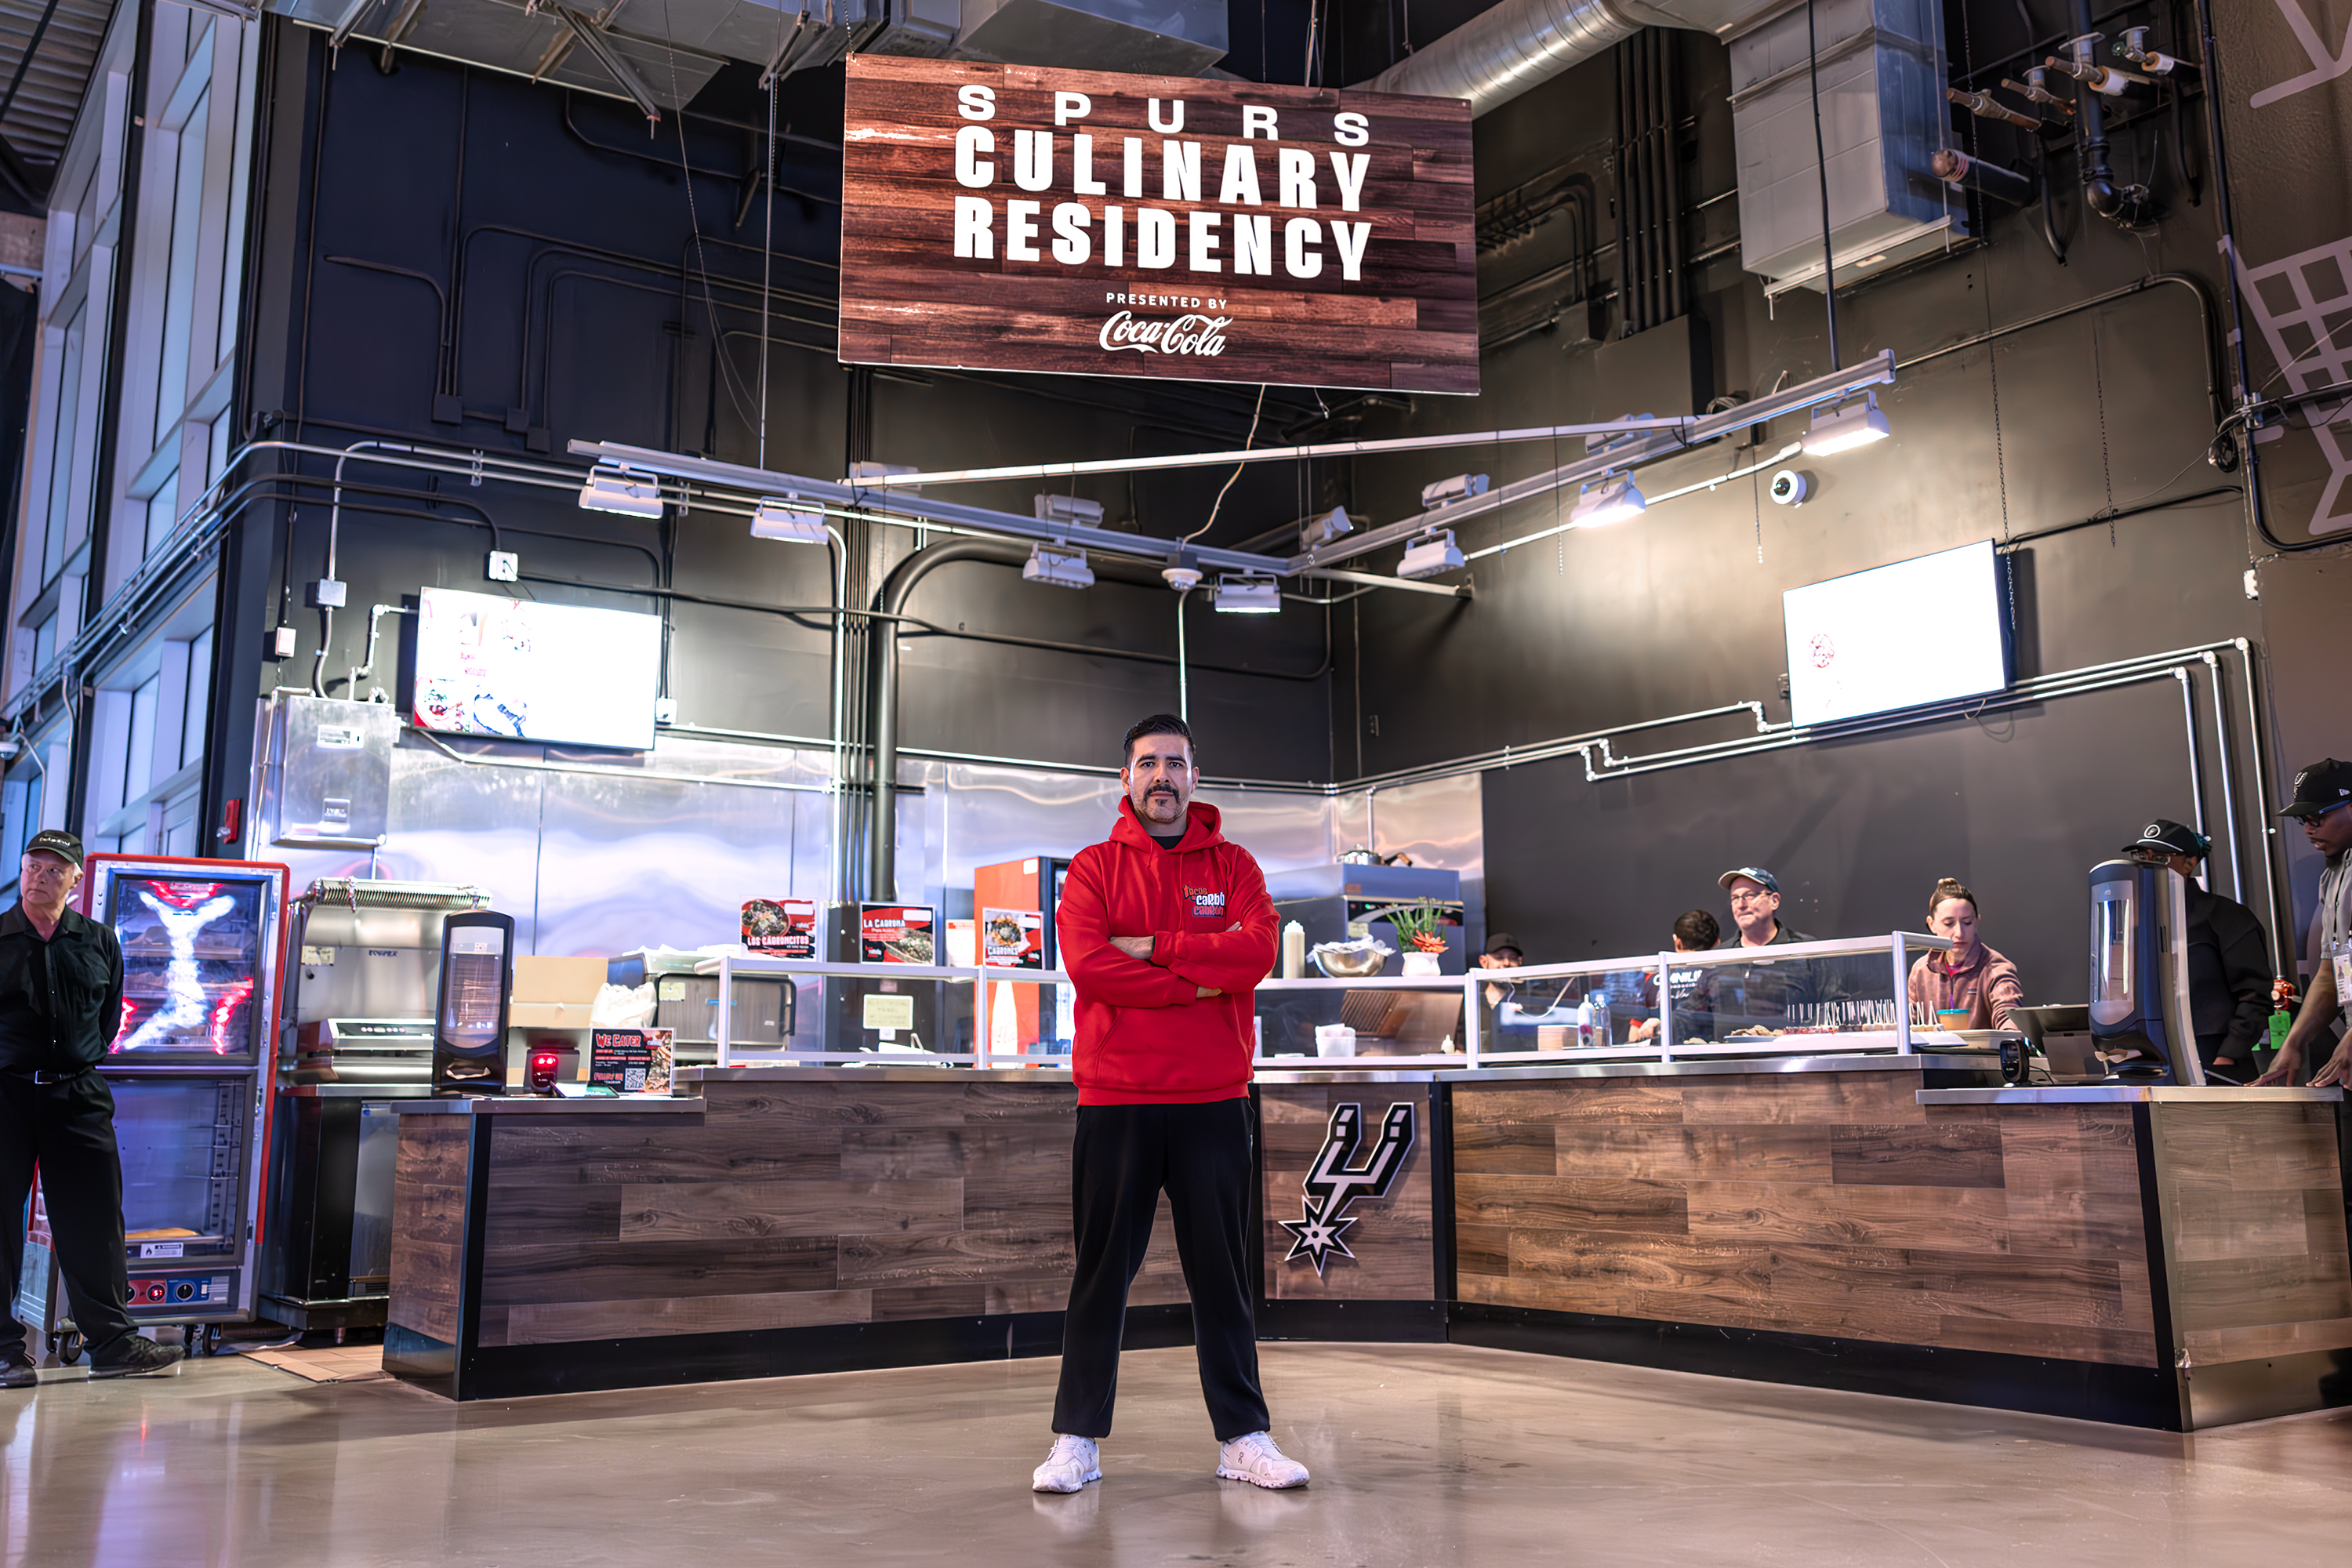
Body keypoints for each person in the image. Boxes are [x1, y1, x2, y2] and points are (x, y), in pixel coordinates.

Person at [1033, 714, 1306, 1495]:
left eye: (1176, 763)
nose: (1162, 776)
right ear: (1126, 777)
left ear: (1194, 776)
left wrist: (1156, 947)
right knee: (1100, 1276)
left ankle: (1244, 1438)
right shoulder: (1093, 868)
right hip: (1115, 1095)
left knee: (1223, 1278)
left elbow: (1255, 952)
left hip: (1213, 1097)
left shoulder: (1235, 865)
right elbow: (1090, 964)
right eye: (1149, 763)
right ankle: (1076, 1441)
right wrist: (1199, 984)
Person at [2, 830, 184, 1386]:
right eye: (34, 866)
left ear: (76, 881)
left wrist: (72, 1061)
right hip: (6, 1093)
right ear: (22, 870)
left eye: (55, 870)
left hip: (77, 1093)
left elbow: (107, 1020)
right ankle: (4, 1352)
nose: (41, 877)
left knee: (96, 1220)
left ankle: (113, 1345)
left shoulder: (99, 941)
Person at [2122, 820, 2270, 1080]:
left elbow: (2255, 994)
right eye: (2142, 857)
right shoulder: (2135, 922)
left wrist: (2228, 1055)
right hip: (2153, 1057)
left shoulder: (2226, 916)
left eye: (2160, 858)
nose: (2148, 866)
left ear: (2189, 863)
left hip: (2214, 1056)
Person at [2256, 760, 2352, 1087]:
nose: (2308, 829)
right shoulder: (2333, 876)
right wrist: (2293, 1043)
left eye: (2316, 817)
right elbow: (2331, 973)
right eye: (2303, 820)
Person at [1906, 878, 2023, 1032]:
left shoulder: (1996, 968)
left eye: (1967, 922)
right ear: (1932, 925)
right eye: (1949, 923)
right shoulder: (1921, 970)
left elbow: (2008, 1016)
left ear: (1977, 921)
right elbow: (1907, 1024)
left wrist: (2010, 1035)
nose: (1959, 933)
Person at [1631, 910, 1719, 1040]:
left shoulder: (1654, 978)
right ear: (1717, 943)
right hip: (1706, 1050)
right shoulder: (1717, 976)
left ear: (1678, 942)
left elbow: (1634, 1036)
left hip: (1660, 1051)